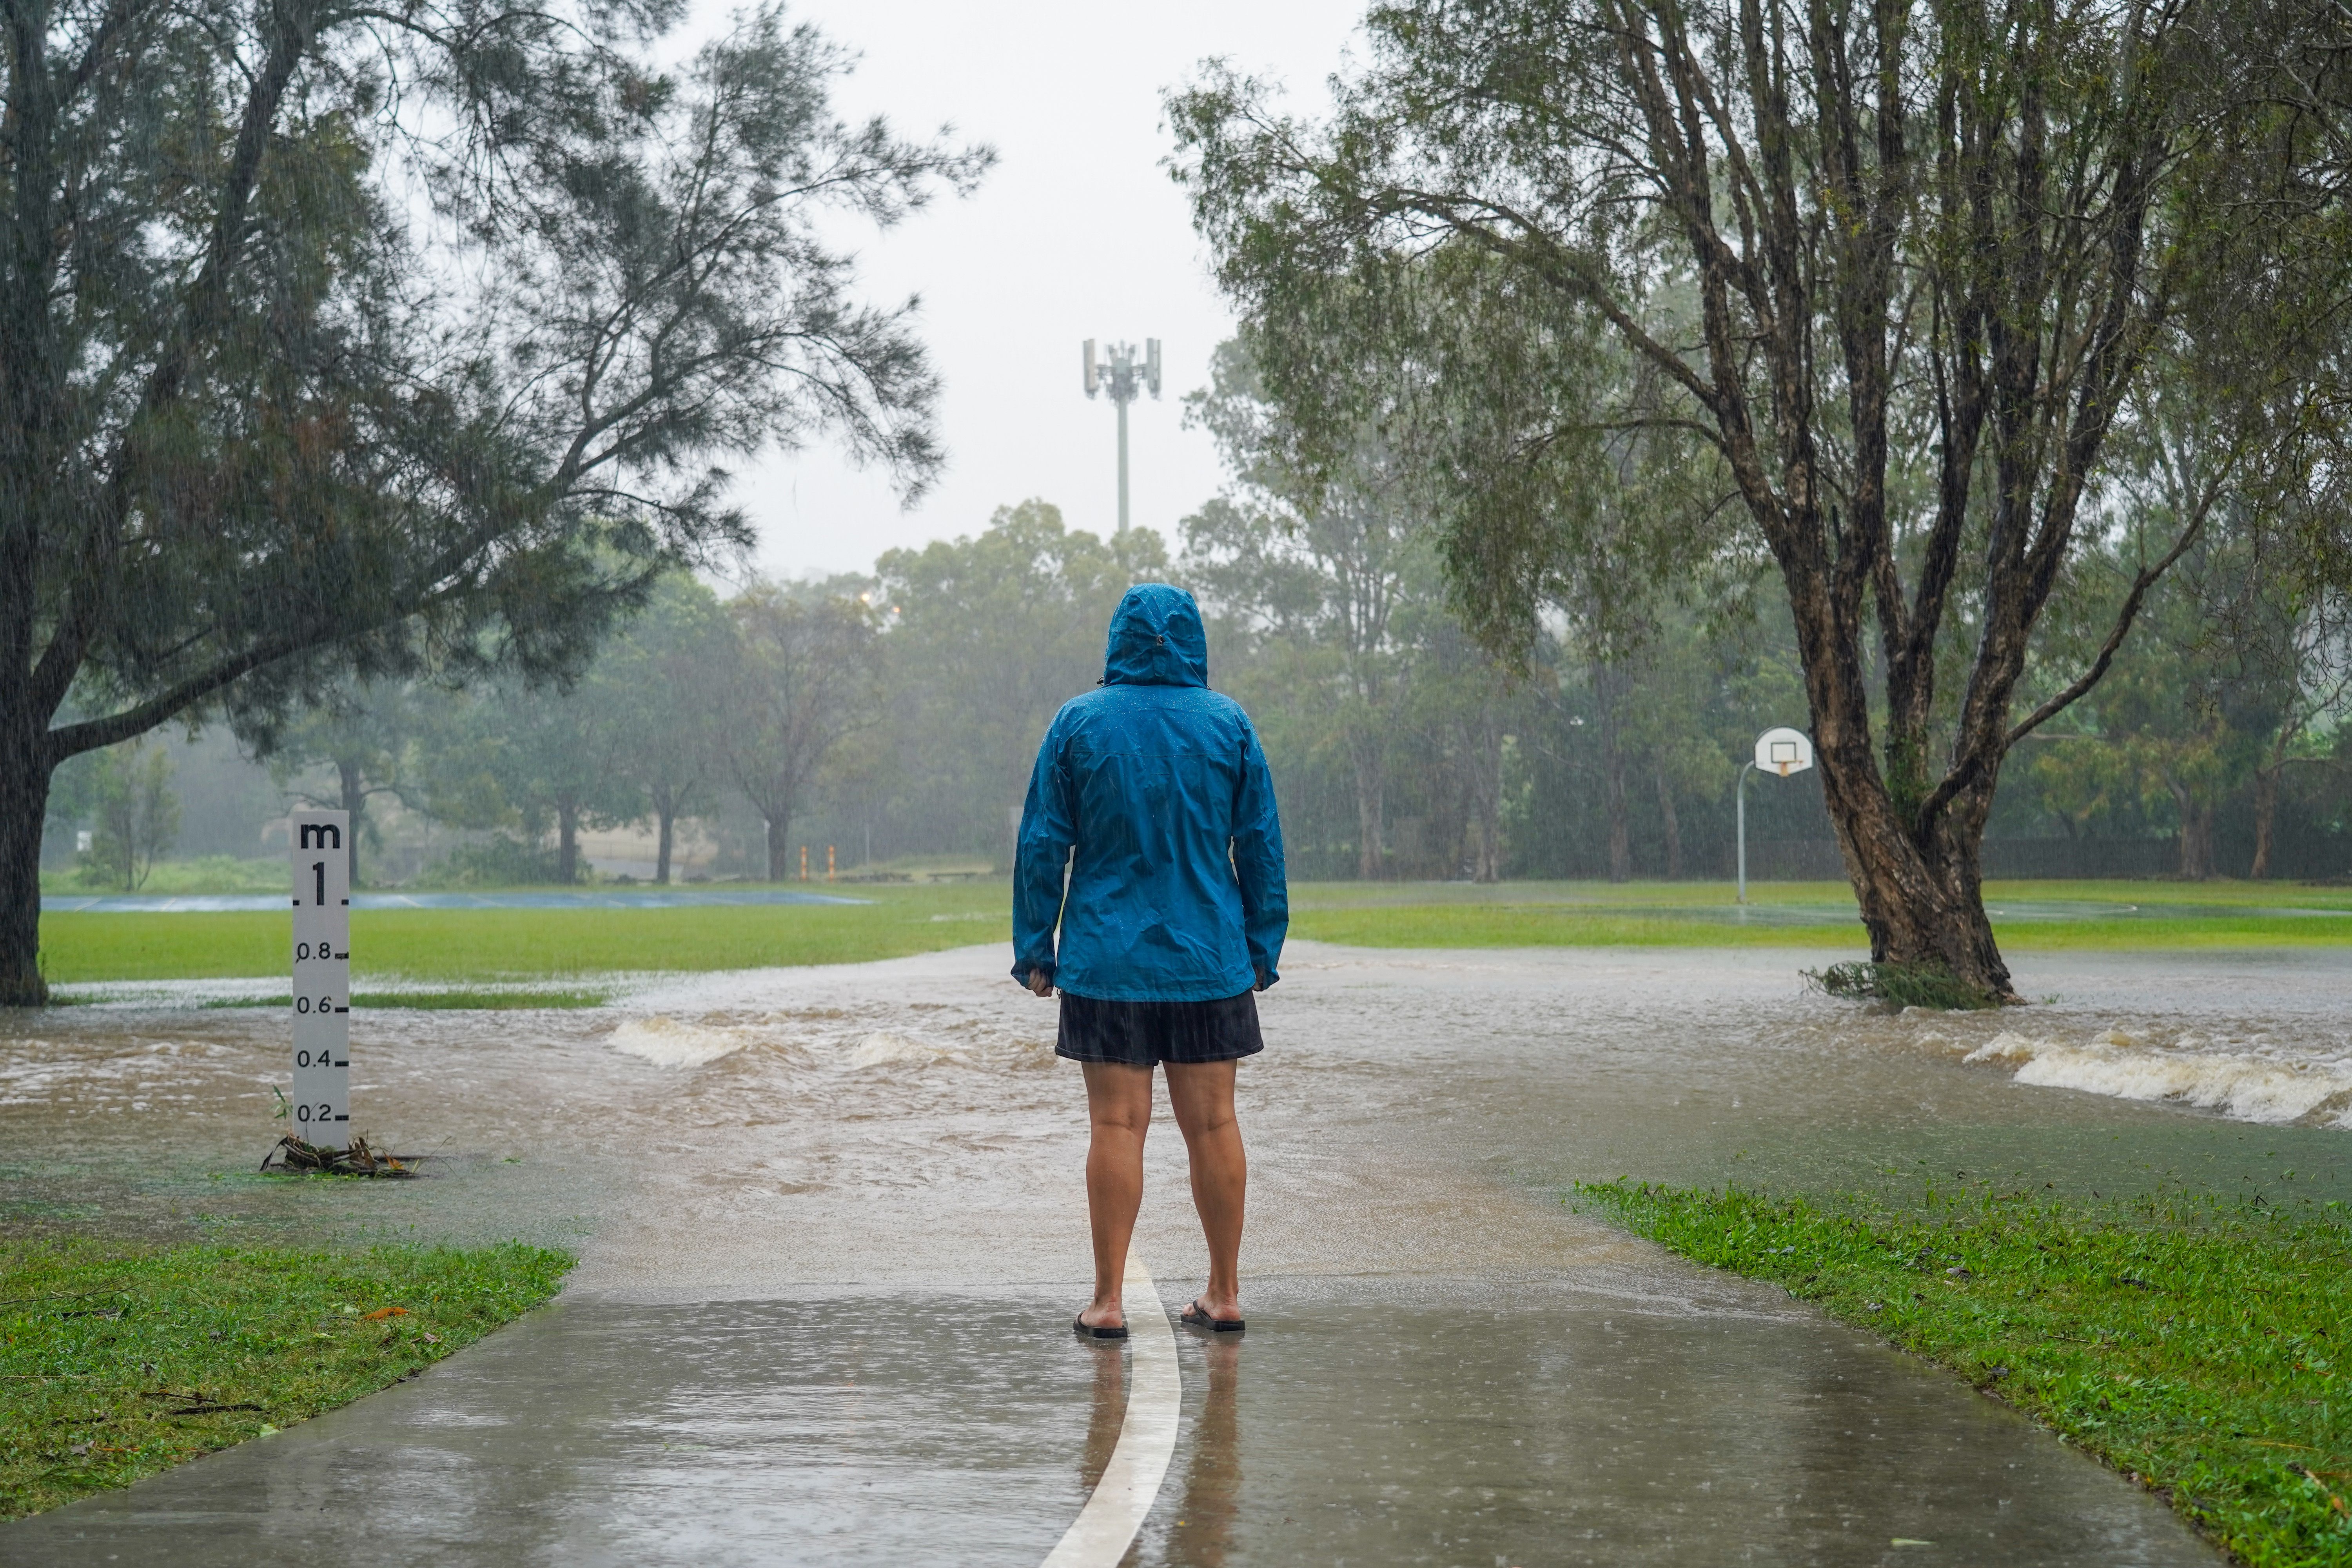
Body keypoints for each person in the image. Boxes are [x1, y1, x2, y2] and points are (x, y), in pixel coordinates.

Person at [1013, 583, 1287, 1340]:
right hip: (1209, 958)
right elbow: (1260, 843)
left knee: (1117, 1126)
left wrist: (1037, 947)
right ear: (1194, 639)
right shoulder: (1228, 724)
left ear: (1119, 640)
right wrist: (1264, 945)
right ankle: (1224, 1293)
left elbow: (1043, 842)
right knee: (1214, 1125)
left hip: (1108, 961)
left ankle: (1107, 1303)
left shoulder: (1078, 724)